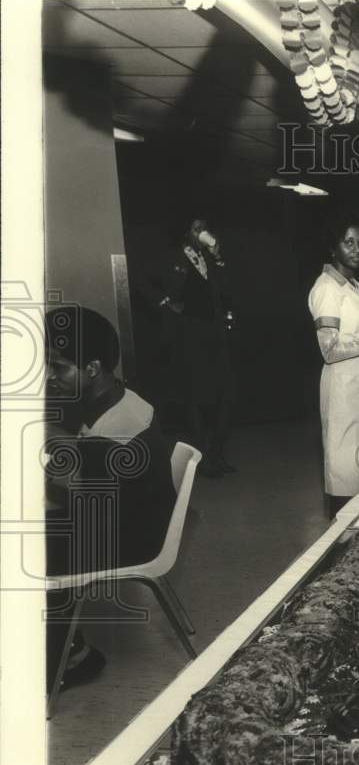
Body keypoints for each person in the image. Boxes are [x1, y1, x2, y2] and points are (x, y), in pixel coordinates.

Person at [45, 306, 176, 693]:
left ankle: (68, 659)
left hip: (130, 537)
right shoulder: (121, 397)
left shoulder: (115, 430)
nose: (51, 376)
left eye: (60, 367)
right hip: (130, 517)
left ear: (92, 368)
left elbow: (77, 494)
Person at [307, 213, 359, 518]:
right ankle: (341, 551)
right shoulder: (326, 288)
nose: (356, 249)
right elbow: (330, 349)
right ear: (332, 247)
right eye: (348, 242)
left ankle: (358, 546)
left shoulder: (352, 286)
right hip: (343, 391)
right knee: (344, 472)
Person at [160, 217, 236, 479]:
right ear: (185, 233)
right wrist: (167, 304)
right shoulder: (174, 257)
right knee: (195, 396)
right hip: (190, 335)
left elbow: (226, 290)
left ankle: (217, 454)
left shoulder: (209, 259)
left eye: (204, 227)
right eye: (196, 228)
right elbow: (150, 285)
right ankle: (202, 458)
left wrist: (218, 258)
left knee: (222, 393)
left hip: (214, 334)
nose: (202, 232)